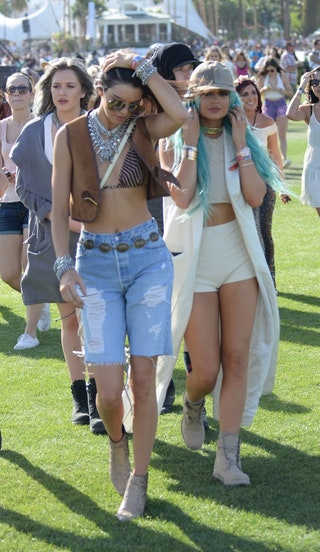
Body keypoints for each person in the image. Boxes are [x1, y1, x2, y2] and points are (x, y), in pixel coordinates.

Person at [51, 49, 187, 520]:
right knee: (108, 392)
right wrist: (64, 266)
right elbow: (56, 208)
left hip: (147, 258)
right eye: (116, 102)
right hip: (95, 266)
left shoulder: (144, 127)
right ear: (97, 90)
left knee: (144, 377)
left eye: (133, 104)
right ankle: (117, 443)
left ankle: (139, 481)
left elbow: (181, 112)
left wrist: (145, 68)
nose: (124, 112)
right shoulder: (69, 135)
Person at [157, 61, 281, 485]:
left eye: (221, 93)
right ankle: (194, 403)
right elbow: (183, 194)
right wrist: (190, 145)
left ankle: (228, 457)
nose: (214, 99)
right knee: (205, 368)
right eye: (205, 92)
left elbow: (254, 195)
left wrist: (243, 142)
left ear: (231, 98)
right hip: (193, 258)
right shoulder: (174, 141)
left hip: (237, 254)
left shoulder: (241, 138)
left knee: (238, 357)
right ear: (192, 97)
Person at [11, 58, 105, 434]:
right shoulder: (35, 132)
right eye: (55, 86)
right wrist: (58, 218)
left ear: (84, 90)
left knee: (95, 318)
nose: (61, 93)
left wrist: (91, 220)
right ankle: (80, 398)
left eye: (69, 85)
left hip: (99, 235)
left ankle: (101, 398)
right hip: (54, 237)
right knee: (70, 319)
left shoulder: (100, 127)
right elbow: (24, 186)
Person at [150, 41, 201, 416]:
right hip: (162, 219)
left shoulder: (203, 107)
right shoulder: (152, 110)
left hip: (192, 223)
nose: (189, 76)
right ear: (167, 75)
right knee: (166, 308)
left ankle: (190, 387)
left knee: (191, 309)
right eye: (183, 70)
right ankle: (162, 388)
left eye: (191, 70)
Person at [0, 72, 50, 350]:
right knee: (7, 272)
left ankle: (29, 333)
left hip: (35, 202)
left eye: (22, 89)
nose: (17, 94)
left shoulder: (42, 125)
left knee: (29, 266)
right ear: (5, 95)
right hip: (7, 203)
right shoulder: (0, 127)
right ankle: (38, 300)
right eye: (12, 90)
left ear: (32, 93)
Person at [235, 75, 290, 289]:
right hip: (238, 184)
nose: (250, 98)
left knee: (264, 231)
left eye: (253, 93)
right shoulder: (232, 122)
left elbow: (276, 156)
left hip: (265, 185)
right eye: (244, 94)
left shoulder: (268, 122)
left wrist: (281, 185)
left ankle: (269, 282)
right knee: (244, 233)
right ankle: (248, 282)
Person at [286, 66, 320, 218]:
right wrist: (300, 87)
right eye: (315, 82)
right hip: (314, 171)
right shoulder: (309, 110)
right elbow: (290, 114)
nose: (318, 86)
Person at [257, 56, 293, 168]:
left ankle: (284, 158)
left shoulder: (281, 76)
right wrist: (264, 89)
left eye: (272, 70)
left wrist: (279, 90)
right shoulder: (263, 77)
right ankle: (271, 160)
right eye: (267, 70)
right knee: (269, 134)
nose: (270, 72)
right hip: (268, 104)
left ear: (276, 69)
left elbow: (290, 92)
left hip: (281, 104)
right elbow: (257, 93)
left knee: (282, 133)